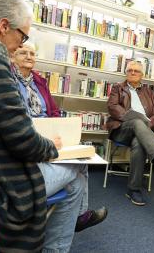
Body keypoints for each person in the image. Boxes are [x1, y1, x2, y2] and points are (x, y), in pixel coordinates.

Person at [0, 0, 56, 252]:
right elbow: (22, 141)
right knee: (77, 173)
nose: (22, 44)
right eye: (23, 35)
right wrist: (53, 148)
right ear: (3, 26)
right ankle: (56, 245)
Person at [11, 43, 107, 236]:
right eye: (23, 53)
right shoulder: (8, 80)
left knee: (82, 157)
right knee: (77, 171)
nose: (29, 56)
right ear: (13, 56)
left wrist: (60, 126)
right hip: (29, 134)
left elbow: (53, 110)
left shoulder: (39, 81)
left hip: (49, 132)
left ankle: (79, 214)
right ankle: (79, 216)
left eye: (32, 53)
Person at [106, 60, 154, 206]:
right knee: (137, 122)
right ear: (126, 73)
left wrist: (148, 124)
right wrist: (129, 116)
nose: (132, 73)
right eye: (130, 70)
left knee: (139, 143)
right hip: (122, 129)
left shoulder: (149, 92)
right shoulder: (117, 88)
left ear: (142, 75)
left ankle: (133, 190)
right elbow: (112, 106)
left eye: (136, 71)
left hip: (142, 132)